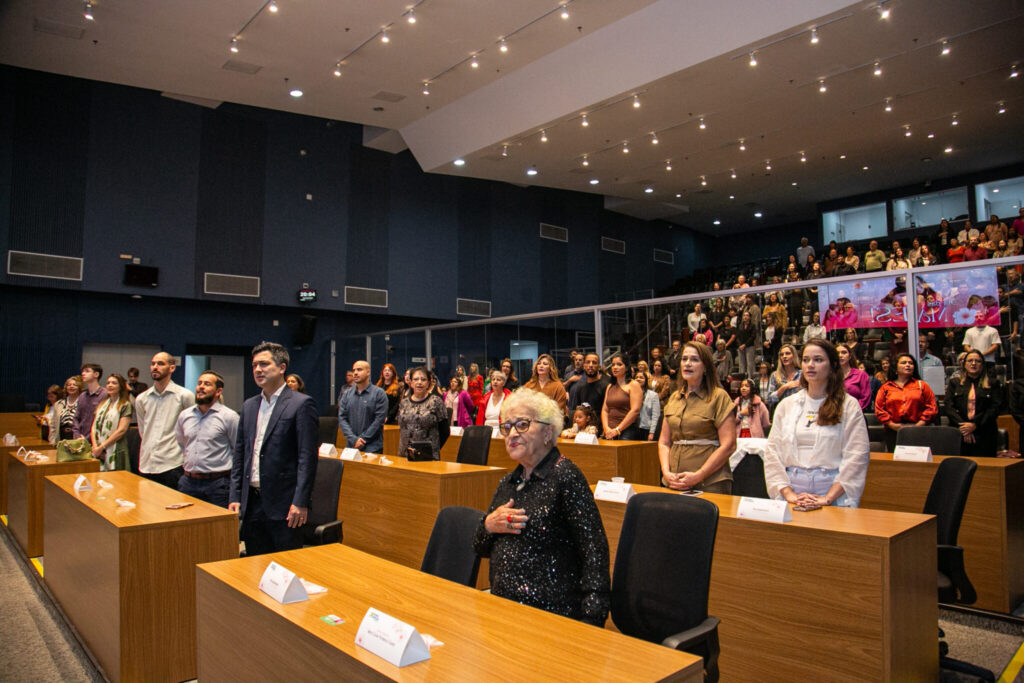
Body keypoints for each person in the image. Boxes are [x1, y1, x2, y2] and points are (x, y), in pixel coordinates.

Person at [473, 389, 610, 626]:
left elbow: (594, 552)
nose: (512, 434)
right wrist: (488, 525)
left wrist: (592, 620)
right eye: (507, 427)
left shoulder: (566, 477)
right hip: (502, 612)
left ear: (548, 432)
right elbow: (480, 547)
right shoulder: (507, 483)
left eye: (523, 425)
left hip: (552, 618)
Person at [229, 341, 319, 555]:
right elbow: (241, 454)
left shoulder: (300, 404)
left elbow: (307, 458)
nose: (258, 370)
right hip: (252, 503)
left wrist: (301, 501)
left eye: (264, 364)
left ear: (281, 368)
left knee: (286, 568)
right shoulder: (249, 406)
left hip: (285, 505)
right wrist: (235, 496)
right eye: (254, 366)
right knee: (256, 566)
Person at [763, 339, 870, 508]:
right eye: (806, 360)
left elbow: (857, 456)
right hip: (792, 492)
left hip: (832, 493)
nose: (810, 365)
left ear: (833, 365)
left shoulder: (849, 405)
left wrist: (827, 498)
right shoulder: (787, 405)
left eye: (818, 360)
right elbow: (772, 453)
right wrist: (788, 493)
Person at [657, 342, 737, 493]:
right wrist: (666, 472)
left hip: (710, 481)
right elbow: (664, 442)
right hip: (674, 481)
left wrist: (699, 475)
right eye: (684, 359)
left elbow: (729, 445)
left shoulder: (719, 397)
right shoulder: (674, 398)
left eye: (694, 359)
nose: (687, 363)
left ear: (705, 366)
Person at [174, 371, 239, 507]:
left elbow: (237, 450)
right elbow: (182, 443)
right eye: (199, 383)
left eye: (207, 384)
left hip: (218, 484)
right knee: (188, 526)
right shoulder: (185, 415)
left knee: (218, 527)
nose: (201, 387)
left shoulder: (229, 417)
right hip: (188, 482)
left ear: (218, 391)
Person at [135, 352, 196, 488]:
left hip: (173, 464)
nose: (155, 367)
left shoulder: (184, 396)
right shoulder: (141, 398)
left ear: (172, 368)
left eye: (160, 363)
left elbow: (193, 430)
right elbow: (143, 431)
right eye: (153, 364)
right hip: (147, 464)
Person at [944, 349, 1004, 457]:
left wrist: (975, 425)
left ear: (983, 365)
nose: (973, 363)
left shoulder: (992, 383)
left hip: (984, 432)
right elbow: (949, 406)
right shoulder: (955, 383)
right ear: (964, 364)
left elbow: (995, 408)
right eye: (970, 360)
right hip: (959, 431)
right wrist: (964, 427)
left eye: (978, 361)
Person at [874, 354, 939, 450]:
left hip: (919, 430)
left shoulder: (922, 385)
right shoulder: (886, 387)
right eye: (904, 363)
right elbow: (879, 409)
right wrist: (892, 425)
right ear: (895, 367)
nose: (908, 365)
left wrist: (919, 425)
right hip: (893, 431)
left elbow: (932, 407)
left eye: (911, 363)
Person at [397, 366, 449, 458]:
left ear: (428, 383)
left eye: (423, 379)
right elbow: (402, 428)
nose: (419, 382)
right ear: (411, 382)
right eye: (416, 379)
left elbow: (445, 431)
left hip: (428, 455)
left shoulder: (436, 402)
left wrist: (433, 448)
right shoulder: (404, 402)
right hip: (404, 454)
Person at [338, 360, 389, 453]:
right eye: (354, 370)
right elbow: (342, 418)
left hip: (373, 448)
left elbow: (379, 420)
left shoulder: (379, 394)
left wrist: (362, 440)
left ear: (368, 372)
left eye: (359, 370)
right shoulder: (347, 394)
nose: (355, 373)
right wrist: (353, 440)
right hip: (351, 447)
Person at [90, 374, 133, 471]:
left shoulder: (125, 405)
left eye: (114, 383)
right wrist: (96, 447)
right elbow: (93, 427)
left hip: (116, 449)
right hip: (98, 450)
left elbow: (121, 430)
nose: (110, 385)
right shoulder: (102, 404)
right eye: (108, 383)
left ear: (121, 386)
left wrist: (102, 447)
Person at [601, 353, 643, 440]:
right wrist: (606, 428)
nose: (615, 367)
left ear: (627, 367)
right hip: (609, 430)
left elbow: (635, 410)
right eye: (613, 365)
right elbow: (605, 410)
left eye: (619, 364)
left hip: (626, 431)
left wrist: (617, 429)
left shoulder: (633, 384)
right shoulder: (610, 386)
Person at [72, 363, 106, 444]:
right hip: (80, 439)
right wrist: (77, 435)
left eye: (87, 371)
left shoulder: (105, 394)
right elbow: (76, 418)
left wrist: (87, 438)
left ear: (96, 374)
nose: (83, 373)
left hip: (96, 441)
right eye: (83, 371)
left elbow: (102, 421)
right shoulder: (82, 396)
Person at [766, 344, 801, 413]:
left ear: (794, 356)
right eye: (782, 355)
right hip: (782, 413)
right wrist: (784, 387)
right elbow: (769, 399)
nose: (784, 356)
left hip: (799, 411)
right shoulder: (775, 375)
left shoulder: (802, 374)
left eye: (787, 353)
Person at [837, 343, 872, 411]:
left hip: (855, 414)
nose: (840, 355)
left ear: (850, 356)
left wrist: (852, 411)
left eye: (844, 352)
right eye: (837, 353)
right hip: (834, 415)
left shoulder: (861, 375)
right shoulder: (829, 375)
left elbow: (865, 398)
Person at [53, 376, 83, 443]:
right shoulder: (59, 404)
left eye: (74, 385)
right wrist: (52, 441)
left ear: (79, 387)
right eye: (69, 385)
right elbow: (53, 424)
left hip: (77, 437)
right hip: (61, 437)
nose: (71, 386)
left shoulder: (83, 403)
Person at [634, 372, 662, 441]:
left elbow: (656, 416)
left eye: (641, 377)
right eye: (636, 377)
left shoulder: (653, 395)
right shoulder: (630, 394)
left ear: (646, 380)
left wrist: (652, 432)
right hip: (633, 429)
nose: (638, 379)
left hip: (647, 429)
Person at [735, 310, 758, 377]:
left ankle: (750, 378)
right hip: (740, 347)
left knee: (750, 363)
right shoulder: (740, 325)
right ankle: (741, 377)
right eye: (744, 315)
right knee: (741, 363)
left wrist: (745, 344)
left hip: (749, 346)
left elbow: (753, 337)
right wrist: (739, 345)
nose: (745, 317)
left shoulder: (752, 326)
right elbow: (737, 336)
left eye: (747, 315)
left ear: (750, 317)